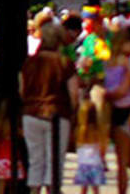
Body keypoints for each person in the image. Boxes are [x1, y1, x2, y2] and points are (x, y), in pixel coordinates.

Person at [21, 23, 75, 194]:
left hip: (30, 113)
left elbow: (21, 90)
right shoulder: (64, 63)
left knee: (35, 159)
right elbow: (74, 93)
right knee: (54, 160)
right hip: (56, 113)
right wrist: (73, 113)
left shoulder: (29, 62)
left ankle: (34, 191)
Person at [102, 30, 130, 194]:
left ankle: (124, 191)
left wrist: (109, 93)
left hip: (117, 108)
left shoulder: (107, 62)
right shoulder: (125, 61)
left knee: (123, 161)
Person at [73, 99, 108, 194]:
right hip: (95, 164)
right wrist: (103, 160)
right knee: (96, 190)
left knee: (83, 190)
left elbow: (77, 147)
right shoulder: (98, 132)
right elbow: (102, 148)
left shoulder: (79, 132)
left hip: (83, 164)